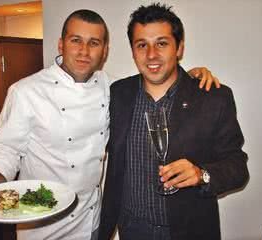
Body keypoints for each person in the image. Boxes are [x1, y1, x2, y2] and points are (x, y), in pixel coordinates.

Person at [0, 9, 220, 240]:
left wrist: (191, 77)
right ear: (61, 44)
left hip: (90, 221)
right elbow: (5, 149)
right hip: (40, 223)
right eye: (75, 40)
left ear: (105, 51)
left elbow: (159, 77)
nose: (84, 51)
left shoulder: (112, 89)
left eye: (94, 43)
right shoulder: (26, 91)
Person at [98, 3, 249, 240]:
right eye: (142, 45)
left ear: (179, 48)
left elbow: (238, 166)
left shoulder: (212, 97)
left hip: (189, 231)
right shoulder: (118, 93)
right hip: (132, 230)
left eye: (161, 43)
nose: (151, 55)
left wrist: (202, 175)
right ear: (133, 51)